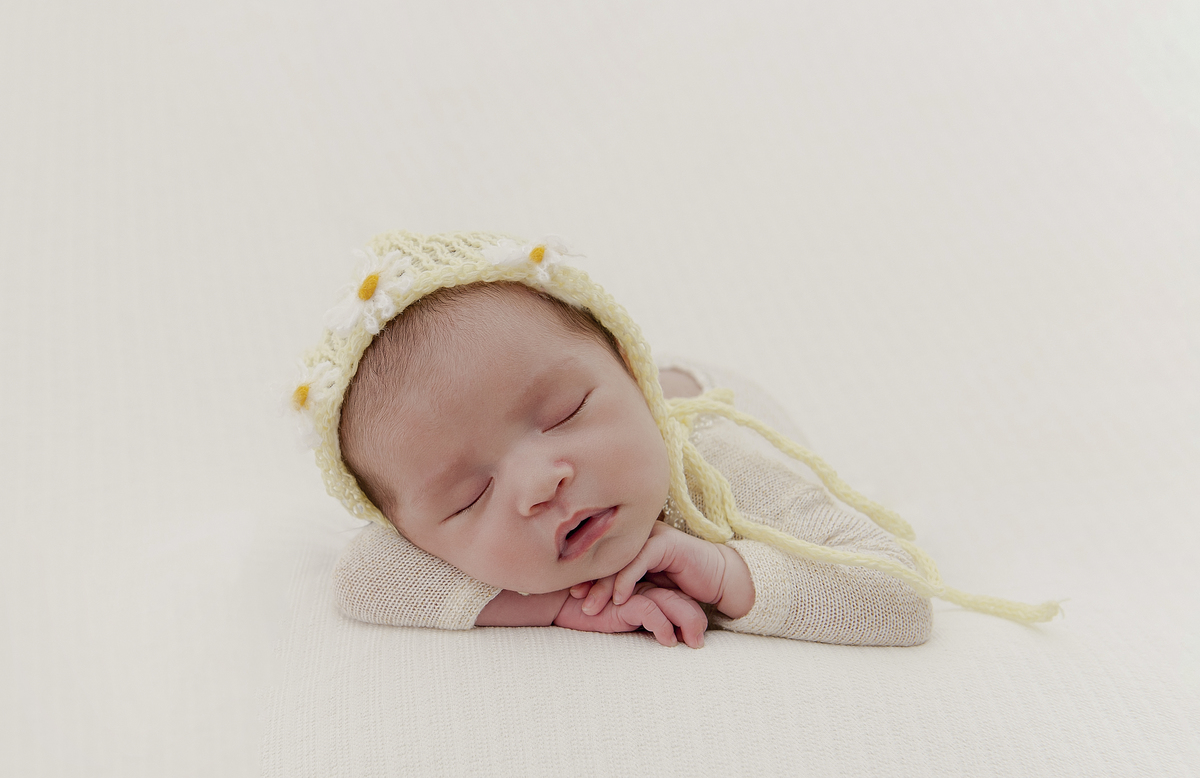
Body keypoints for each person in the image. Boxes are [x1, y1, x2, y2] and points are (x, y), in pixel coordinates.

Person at [289, 232, 1059, 648]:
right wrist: (555, 606)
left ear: (629, 368)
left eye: (563, 413)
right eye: (471, 495)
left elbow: (898, 597)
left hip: (711, 412)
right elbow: (363, 577)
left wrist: (724, 570)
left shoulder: (725, 465)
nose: (539, 482)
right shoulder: (418, 528)